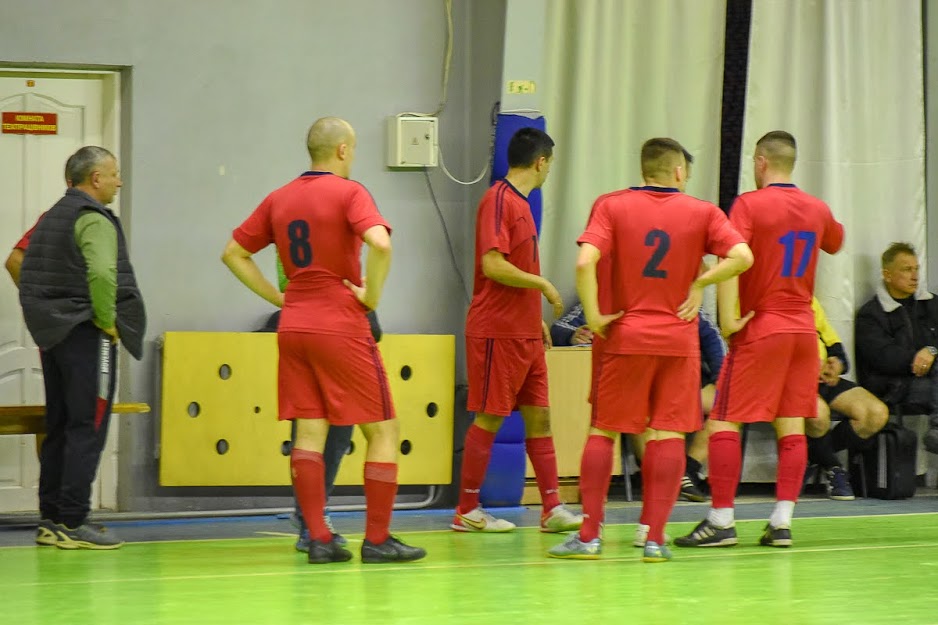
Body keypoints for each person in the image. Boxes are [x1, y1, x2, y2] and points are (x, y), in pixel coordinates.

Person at [221, 116, 425, 564]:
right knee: (384, 430)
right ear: (343, 150)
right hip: (339, 321)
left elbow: (233, 253)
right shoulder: (350, 192)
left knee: (309, 432)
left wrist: (278, 295)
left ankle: (317, 538)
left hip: (294, 323)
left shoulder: (279, 197)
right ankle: (378, 539)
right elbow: (381, 244)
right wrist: (371, 295)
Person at [548, 138, 752, 562]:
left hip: (625, 338)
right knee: (668, 434)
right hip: (678, 341)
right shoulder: (703, 212)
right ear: (679, 172)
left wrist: (594, 314)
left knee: (604, 429)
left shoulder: (611, 205)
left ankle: (589, 537)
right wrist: (700, 284)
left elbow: (585, 262)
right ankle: (655, 539)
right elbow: (742, 256)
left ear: (644, 169)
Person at [675, 131, 844, 550]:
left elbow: (731, 257)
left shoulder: (749, 204)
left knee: (723, 421)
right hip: (804, 332)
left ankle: (721, 520)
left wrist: (729, 320)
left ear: (760, 161)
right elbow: (835, 241)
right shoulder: (818, 207)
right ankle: (782, 522)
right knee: (791, 424)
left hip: (762, 328)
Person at [452, 127, 582, 534]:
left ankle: (551, 509)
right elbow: (493, 265)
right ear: (542, 162)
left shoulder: (523, 205)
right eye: (550, 164)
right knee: (490, 418)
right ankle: (467, 510)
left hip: (524, 333)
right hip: (496, 333)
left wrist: (535, 317)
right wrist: (542, 284)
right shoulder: (498, 199)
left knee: (540, 419)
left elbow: (512, 273)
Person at [18, 146, 146, 549]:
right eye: (114, 174)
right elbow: (104, 273)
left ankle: (51, 518)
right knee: (88, 426)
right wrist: (107, 321)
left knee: (59, 425)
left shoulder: (52, 216)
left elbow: (18, 264)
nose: (119, 182)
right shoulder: (93, 218)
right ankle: (74, 521)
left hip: (54, 336)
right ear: (95, 179)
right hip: (87, 335)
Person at [551, 300, 724, 503]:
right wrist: (572, 335)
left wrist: (722, 378)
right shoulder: (607, 293)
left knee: (725, 406)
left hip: (679, 373)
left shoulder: (681, 294)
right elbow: (560, 328)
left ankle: (688, 472)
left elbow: (712, 336)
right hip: (634, 373)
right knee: (640, 409)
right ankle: (658, 477)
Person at [855, 242, 938, 454]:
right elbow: (883, 358)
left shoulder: (931, 304)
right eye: (906, 269)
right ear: (887, 275)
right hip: (893, 386)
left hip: (930, 378)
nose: (914, 276)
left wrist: (932, 352)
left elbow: (932, 352)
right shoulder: (871, 314)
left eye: (916, 269)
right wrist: (916, 358)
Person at [807, 296, 888, 500]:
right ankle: (833, 467)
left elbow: (835, 347)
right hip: (789, 382)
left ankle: (811, 454)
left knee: (875, 413)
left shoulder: (809, 300)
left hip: (824, 379)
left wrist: (836, 364)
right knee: (817, 415)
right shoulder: (757, 298)